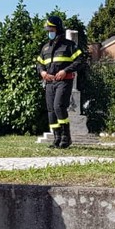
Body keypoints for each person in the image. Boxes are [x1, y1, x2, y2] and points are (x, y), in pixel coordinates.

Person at [35, 14, 84, 148]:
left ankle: (65, 137)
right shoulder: (45, 47)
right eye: (48, 30)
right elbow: (39, 63)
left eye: (51, 29)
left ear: (58, 28)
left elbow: (80, 61)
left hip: (64, 81)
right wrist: (43, 72)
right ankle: (57, 138)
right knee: (51, 110)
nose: (49, 32)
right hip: (49, 82)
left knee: (59, 107)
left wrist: (65, 71)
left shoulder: (69, 46)